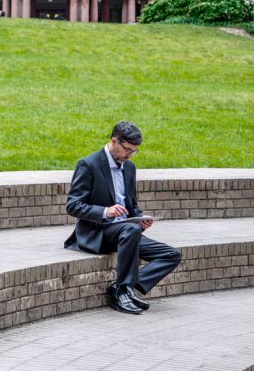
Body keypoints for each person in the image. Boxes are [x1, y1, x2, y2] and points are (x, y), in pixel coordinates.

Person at [64, 120, 181, 315]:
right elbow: (73, 205)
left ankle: (124, 287)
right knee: (130, 230)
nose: (130, 155)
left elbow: (131, 205)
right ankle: (121, 293)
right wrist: (105, 211)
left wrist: (140, 219)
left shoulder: (129, 168)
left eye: (134, 151)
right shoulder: (89, 164)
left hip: (127, 231)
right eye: (127, 149)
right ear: (113, 141)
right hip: (98, 232)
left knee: (171, 255)